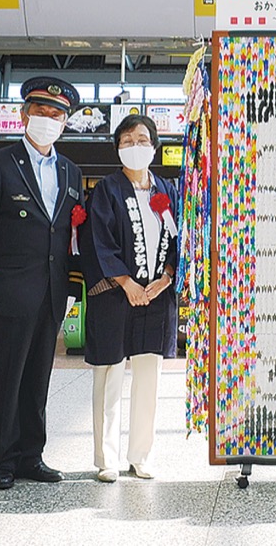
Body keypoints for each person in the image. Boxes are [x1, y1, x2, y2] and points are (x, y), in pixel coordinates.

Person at [0, 77, 85, 490]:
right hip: (9, 290)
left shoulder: (71, 171)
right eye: (40, 112)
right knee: (6, 377)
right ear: (24, 115)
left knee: (38, 379)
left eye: (56, 115)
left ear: (65, 123)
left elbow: (72, 234)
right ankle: (2, 458)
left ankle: (32, 454)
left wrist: (72, 286)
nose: (47, 120)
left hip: (52, 291)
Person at [78, 115, 179, 483]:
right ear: (117, 147)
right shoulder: (107, 190)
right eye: (127, 140)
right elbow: (98, 239)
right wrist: (125, 281)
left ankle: (141, 456)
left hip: (157, 296)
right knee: (110, 376)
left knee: (149, 377)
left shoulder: (167, 189)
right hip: (115, 296)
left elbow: (180, 238)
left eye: (142, 139)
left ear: (154, 145)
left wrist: (167, 277)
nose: (135, 146)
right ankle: (107, 458)